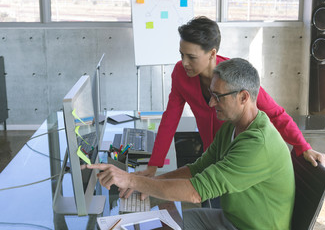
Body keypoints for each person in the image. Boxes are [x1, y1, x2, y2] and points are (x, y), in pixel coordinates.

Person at [88, 58, 296, 229]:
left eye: (218, 97)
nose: (211, 103)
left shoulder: (258, 144)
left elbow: (195, 193)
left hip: (248, 227)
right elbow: (197, 169)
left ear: (243, 97)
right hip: (231, 220)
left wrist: (131, 181)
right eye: (211, 94)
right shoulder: (231, 127)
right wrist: (150, 184)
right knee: (159, 224)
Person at [139, 16, 325, 179]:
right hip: (209, 155)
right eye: (181, 55)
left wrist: (303, 146)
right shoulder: (180, 73)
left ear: (212, 53)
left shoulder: (236, 76)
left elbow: (275, 113)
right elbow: (170, 117)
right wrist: (154, 165)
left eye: (191, 57)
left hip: (239, 157)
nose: (184, 62)